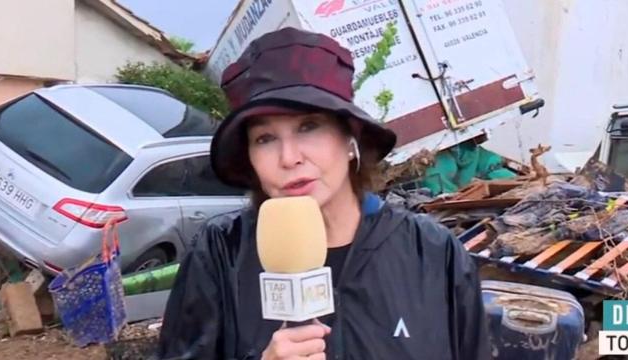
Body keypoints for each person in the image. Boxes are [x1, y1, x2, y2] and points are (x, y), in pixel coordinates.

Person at [155, 27, 491, 360]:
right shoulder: (221, 251)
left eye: (308, 127)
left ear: (350, 139)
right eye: (265, 139)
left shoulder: (431, 252)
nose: (289, 158)